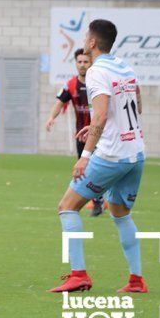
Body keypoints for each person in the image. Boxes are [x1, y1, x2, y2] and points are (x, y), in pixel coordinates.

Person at [50, 19, 148, 294]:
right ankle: (136, 280)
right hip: (135, 152)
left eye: (85, 37)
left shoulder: (95, 72)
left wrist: (86, 156)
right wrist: (102, 128)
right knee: (121, 215)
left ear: (92, 42)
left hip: (111, 155)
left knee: (67, 206)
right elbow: (135, 103)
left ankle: (78, 274)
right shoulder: (125, 67)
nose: (83, 41)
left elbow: (102, 114)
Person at [45, 48, 106, 217]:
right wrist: (51, 117)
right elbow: (59, 102)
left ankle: (99, 201)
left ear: (91, 63)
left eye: (86, 62)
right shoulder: (71, 84)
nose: (82, 65)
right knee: (85, 168)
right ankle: (97, 200)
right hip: (82, 136)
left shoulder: (98, 83)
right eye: (79, 62)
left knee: (99, 168)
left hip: (101, 135)